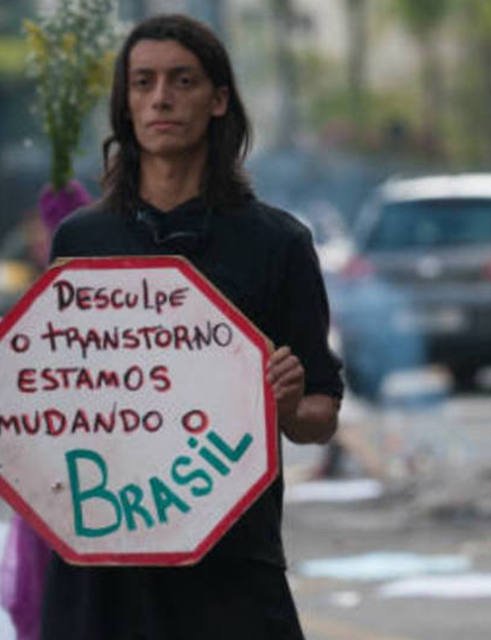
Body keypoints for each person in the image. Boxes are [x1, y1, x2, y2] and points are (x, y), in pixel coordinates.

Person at [41, 14, 343, 639]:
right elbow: (52, 393)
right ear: (125, 104)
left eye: (182, 81)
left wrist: (287, 405)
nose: (161, 98)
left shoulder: (278, 243)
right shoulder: (80, 240)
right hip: (100, 568)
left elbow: (321, 411)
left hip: (228, 569)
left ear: (219, 99)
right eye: (143, 82)